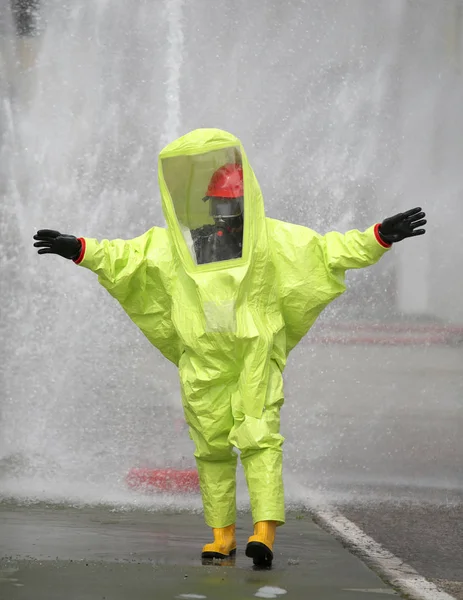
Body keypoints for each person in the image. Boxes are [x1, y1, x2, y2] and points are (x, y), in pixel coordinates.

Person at [33, 128, 426, 567]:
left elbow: (329, 251)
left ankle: (263, 532)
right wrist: (80, 250)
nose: (225, 211)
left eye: (230, 203)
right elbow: (127, 257)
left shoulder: (272, 241)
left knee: (259, 438)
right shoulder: (181, 245)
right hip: (202, 361)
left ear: (244, 202)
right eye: (219, 202)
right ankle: (221, 535)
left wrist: (378, 236)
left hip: (253, 356)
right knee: (211, 446)